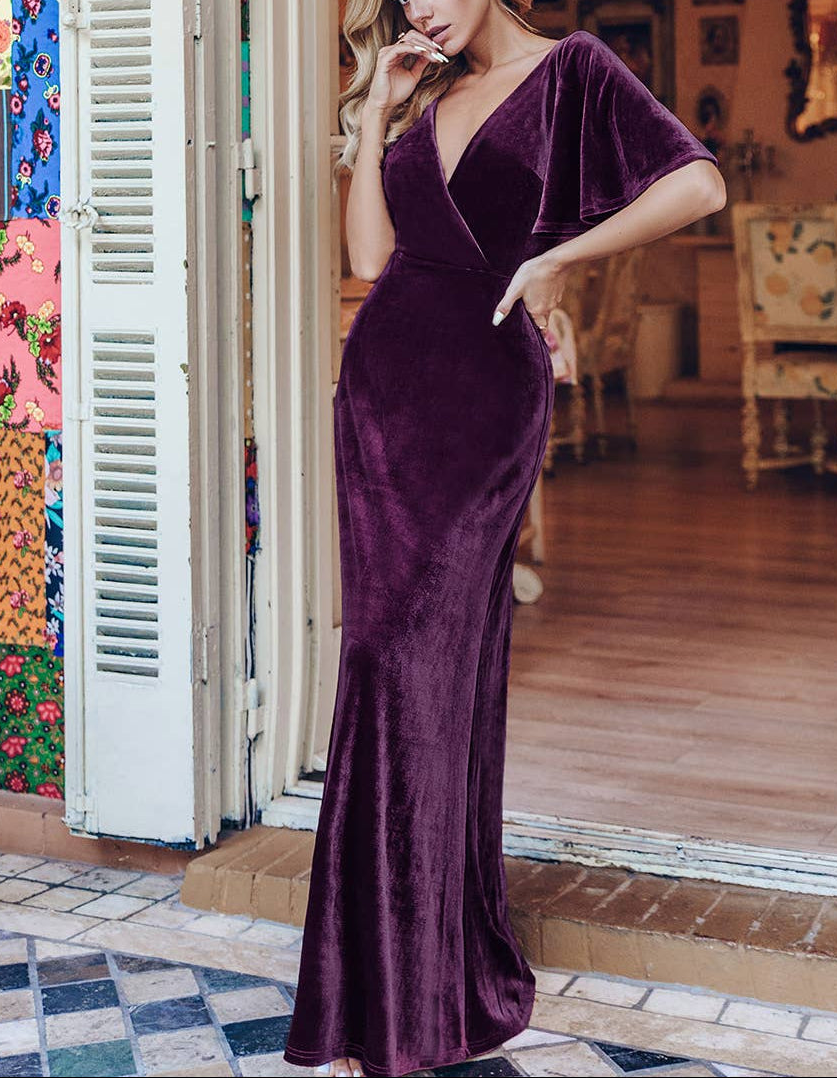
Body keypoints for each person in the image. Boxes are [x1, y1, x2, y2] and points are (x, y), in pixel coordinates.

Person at [283, 3, 726, 1076]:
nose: (423, 6)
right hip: (383, 390)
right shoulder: (423, 89)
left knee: (415, 664)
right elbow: (371, 256)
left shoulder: (574, 71)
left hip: (485, 395)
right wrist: (376, 114)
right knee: (385, 663)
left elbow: (699, 184)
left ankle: (398, 993)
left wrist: (558, 255)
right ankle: (395, 981)